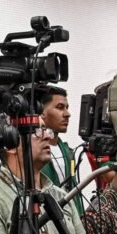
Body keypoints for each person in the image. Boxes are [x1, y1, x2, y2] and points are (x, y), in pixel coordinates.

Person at [39, 86, 84, 216]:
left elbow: (75, 194)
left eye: (67, 107)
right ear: (41, 112)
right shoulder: (33, 152)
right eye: (59, 107)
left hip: (71, 223)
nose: (67, 113)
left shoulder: (68, 152)